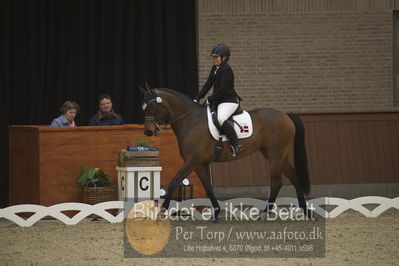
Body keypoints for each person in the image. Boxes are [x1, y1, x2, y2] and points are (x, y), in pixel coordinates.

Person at [193, 44, 243, 157]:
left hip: (229, 101)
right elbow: (208, 84)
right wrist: (197, 98)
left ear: (224, 58)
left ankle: (236, 144)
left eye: (216, 57)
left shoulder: (227, 70)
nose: (214, 59)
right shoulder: (215, 68)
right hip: (219, 100)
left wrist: (209, 99)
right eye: (213, 57)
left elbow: (223, 89)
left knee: (220, 118)